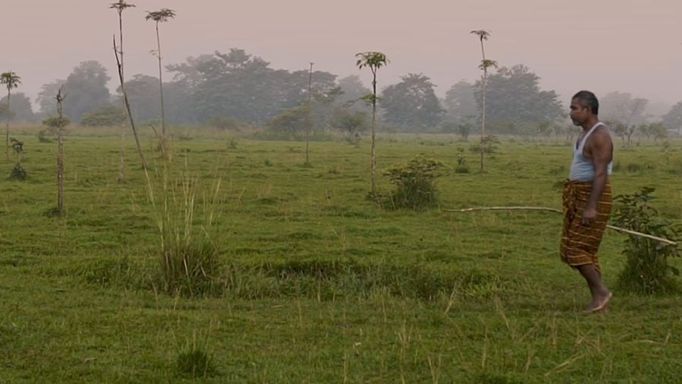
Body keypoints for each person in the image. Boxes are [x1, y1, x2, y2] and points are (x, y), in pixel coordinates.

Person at [560, 90, 614, 313]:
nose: (571, 113)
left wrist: (591, 207)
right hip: (579, 194)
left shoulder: (599, 135)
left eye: (575, 108)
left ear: (588, 110)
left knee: (574, 251)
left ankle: (601, 292)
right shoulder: (585, 134)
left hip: (593, 196)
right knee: (585, 250)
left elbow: (601, 173)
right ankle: (599, 303)